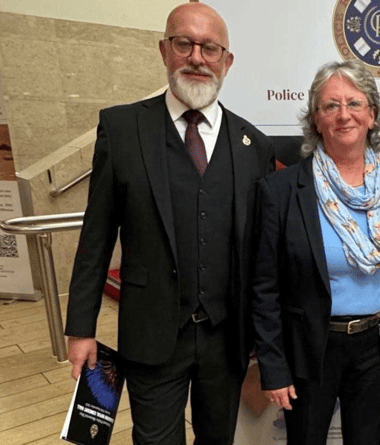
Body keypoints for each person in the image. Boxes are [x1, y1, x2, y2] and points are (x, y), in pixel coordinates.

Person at [64, 3, 274, 444]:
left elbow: (259, 252)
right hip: (152, 332)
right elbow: (96, 236)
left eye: (210, 48)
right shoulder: (122, 128)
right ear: (164, 50)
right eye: (185, 43)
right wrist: (81, 328)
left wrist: (262, 335)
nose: (197, 57)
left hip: (226, 339)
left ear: (227, 61)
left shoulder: (253, 143)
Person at [251, 60, 380, 445]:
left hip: (374, 346)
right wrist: (273, 367)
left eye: (354, 104)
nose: (344, 115)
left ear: (372, 115)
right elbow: (263, 286)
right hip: (310, 349)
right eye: (330, 106)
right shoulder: (283, 190)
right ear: (316, 120)